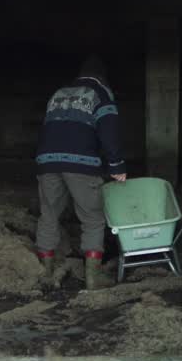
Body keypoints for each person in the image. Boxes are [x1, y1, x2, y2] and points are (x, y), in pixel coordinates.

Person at [35, 56, 127, 290]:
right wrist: (117, 167)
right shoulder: (101, 95)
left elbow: (49, 128)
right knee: (93, 219)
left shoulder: (58, 93)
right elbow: (109, 134)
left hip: (47, 162)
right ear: (102, 77)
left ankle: (46, 273)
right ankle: (93, 278)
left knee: (49, 214)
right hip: (82, 163)